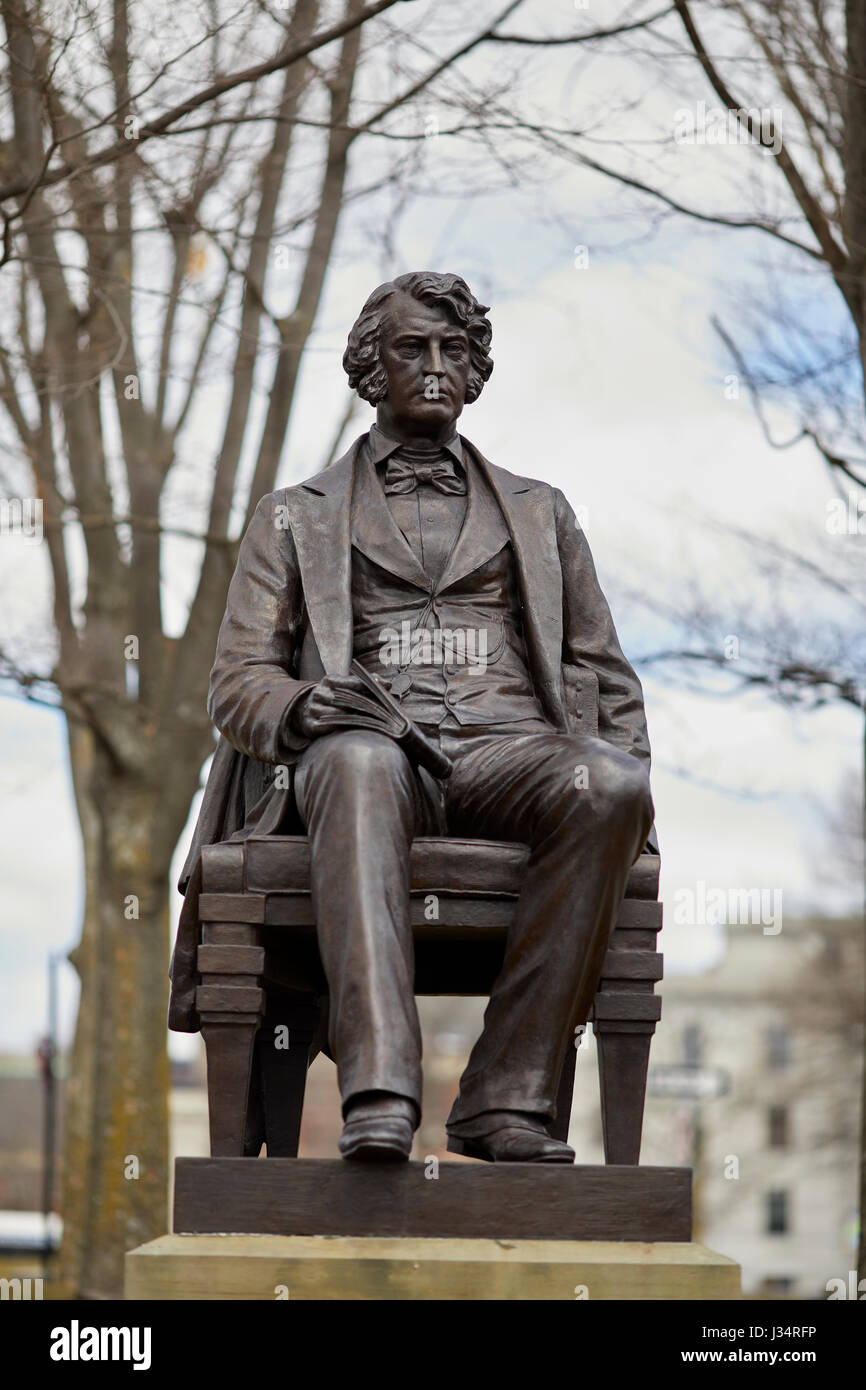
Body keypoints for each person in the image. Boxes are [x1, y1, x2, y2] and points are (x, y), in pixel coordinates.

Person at [170, 271, 655, 1164]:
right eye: (411, 349)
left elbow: (605, 677)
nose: (434, 367)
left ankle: (504, 1099)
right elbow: (237, 682)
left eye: (453, 351)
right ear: (370, 367)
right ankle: (381, 1089)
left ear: (474, 371)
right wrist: (310, 702)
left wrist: (634, 808)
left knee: (610, 781)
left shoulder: (542, 513)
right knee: (358, 763)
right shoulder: (292, 517)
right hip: (367, 754)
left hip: (511, 755)